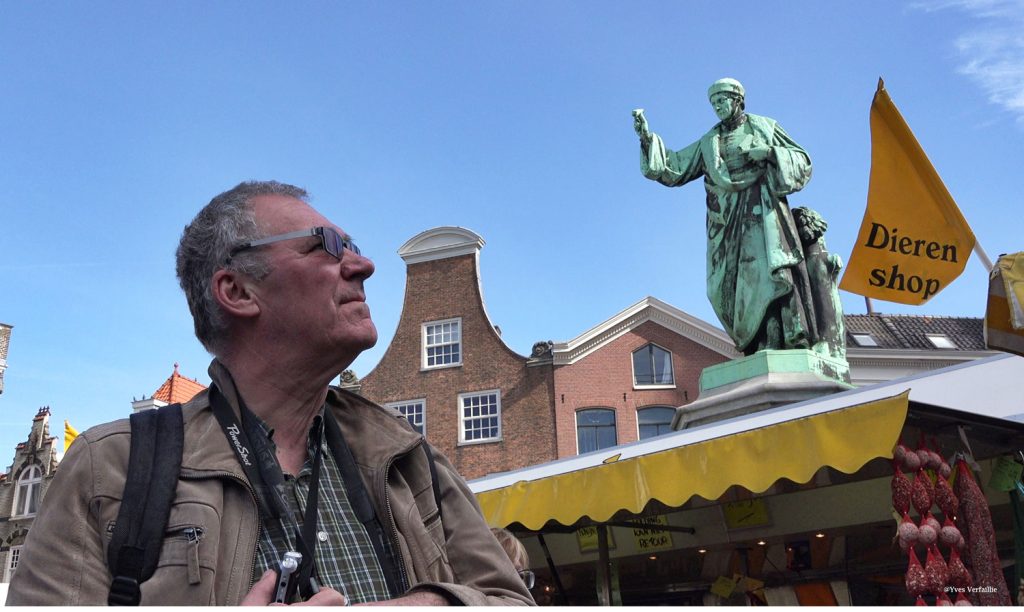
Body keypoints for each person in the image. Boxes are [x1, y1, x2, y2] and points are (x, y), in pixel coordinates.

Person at [7, 181, 535, 606]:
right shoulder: (110, 469)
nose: (363, 265)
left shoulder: (412, 458)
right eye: (326, 246)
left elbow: (512, 600)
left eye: (354, 247)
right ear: (237, 291)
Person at [634, 78, 819, 356]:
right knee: (721, 288)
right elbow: (675, 167)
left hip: (761, 212)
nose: (718, 107)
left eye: (722, 100)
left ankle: (773, 340)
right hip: (724, 221)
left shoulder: (765, 127)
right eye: (714, 103)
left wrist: (769, 153)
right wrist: (647, 139)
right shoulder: (709, 141)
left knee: (763, 275)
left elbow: (802, 160)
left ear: (737, 100)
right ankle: (753, 343)